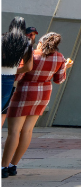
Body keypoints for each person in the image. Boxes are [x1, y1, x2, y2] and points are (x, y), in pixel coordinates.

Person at [2, 32, 71, 177]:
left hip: (25, 92)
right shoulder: (59, 57)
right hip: (44, 94)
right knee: (27, 131)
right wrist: (65, 67)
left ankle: (3, 168)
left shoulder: (31, 55)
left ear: (41, 42)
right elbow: (59, 80)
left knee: (14, 132)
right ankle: (13, 165)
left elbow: (18, 76)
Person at [1, 20, 31, 125]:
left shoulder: (2, 38)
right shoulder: (26, 43)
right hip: (8, 78)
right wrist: (13, 70)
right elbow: (28, 67)